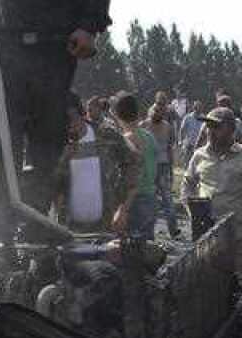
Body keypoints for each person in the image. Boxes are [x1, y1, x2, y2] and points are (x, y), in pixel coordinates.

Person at [0, 0, 112, 243]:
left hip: (54, 45)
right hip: (5, 43)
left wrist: (89, 25)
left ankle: (37, 224)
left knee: (47, 141)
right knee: (0, 138)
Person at [181, 107, 242, 275]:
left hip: (236, 237)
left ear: (231, 130)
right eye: (208, 126)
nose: (210, 131)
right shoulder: (199, 155)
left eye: (217, 127)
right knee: (204, 280)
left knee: (236, 283)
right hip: (205, 236)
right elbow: (187, 184)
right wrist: (192, 212)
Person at [54, 93, 138, 234]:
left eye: (71, 118)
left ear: (82, 114)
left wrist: (123, 208)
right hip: (70, 230)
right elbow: (51, 184)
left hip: (106, 227)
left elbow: (134, 163)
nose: (69, 125)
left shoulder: (106, 135)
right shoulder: (57, 145)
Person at [111, 93, 157, 242]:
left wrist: (123, 209)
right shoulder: (149, 136)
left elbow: (134, 176)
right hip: (150, 197)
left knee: (129, 248)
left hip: (134, 201)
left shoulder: (126, 140)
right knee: (146, 247)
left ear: (116, 115)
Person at [141, 93, 180, 239]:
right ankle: (148, 231)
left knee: (166, 198)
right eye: (156, 110)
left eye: (161, 110)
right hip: (148, 166)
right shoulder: (144, 125)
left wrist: (171, 167)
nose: (158, 112)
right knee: (150, 198)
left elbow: (170, 148)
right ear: (152, 110)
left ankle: (173, 229)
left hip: (162, 166)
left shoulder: (167, 127)